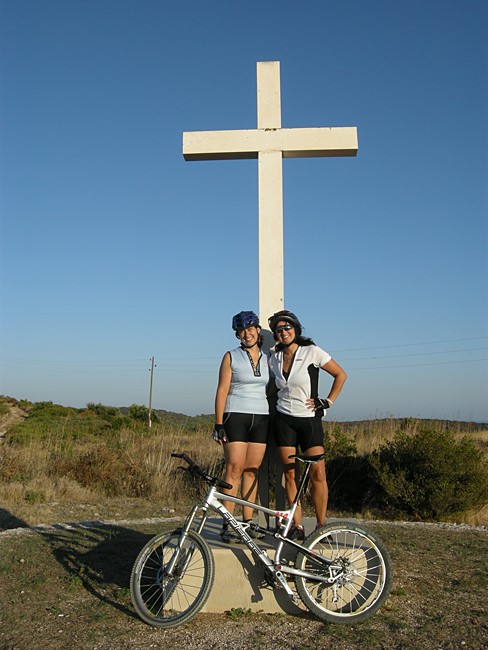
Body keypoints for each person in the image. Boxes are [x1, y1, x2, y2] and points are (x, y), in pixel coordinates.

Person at [268, 310, 347, 539]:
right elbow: (273, 387)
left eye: (287, 327)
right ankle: (297, 526)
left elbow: (340, 374)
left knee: (318, 473)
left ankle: (322, 526)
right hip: (284, 419)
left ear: (296, 329)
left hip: (309, 420)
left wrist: (328, 401)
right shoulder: (275, 358)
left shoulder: (312, 352)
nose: (283, 332)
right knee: (290, 475)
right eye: (279, 329)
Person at [214, 311, 270, 543]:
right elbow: (221, 390)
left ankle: (248, 522)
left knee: (252, 470)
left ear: (258, 329)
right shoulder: (231, 356)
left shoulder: (269, 358)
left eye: (250, 329)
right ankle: (229, 524)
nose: (246, 334)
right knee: (234, 469)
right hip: (235, 415)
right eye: (241, 331)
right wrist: (218, 424)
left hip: (262, 416)